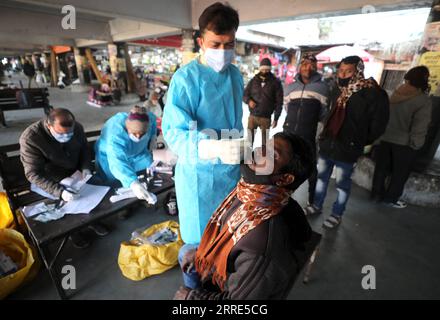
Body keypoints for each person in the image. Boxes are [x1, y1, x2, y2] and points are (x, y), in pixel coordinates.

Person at [173, 132, 315, 300]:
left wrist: (192, 297)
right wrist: (200, 253)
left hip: (234, 289)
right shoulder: (251, 192)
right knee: (185, 252)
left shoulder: (262, 242)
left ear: (284, 179)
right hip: (232, 273)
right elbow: (229, 236)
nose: (258, 152)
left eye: (272, 154)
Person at [162, 2, 244, 246]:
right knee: (199, 243)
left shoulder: (235, 75)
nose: (223, 51)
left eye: (229, 44)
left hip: (230, 170)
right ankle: (192, 283)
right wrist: (211, 147)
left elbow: (235, 120)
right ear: (200, 42)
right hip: (199, 174)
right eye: (215, 45)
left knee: (227, 234)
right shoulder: (186, 79)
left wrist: (243, 149)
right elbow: (174, 132)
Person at [306, 56, 390, 229]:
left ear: (358, 71)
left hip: (348, 148)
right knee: (321, 179)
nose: (343, 74)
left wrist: (358, 140)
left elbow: (378, 125)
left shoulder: (372, 93)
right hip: (328, 144)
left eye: (348, 71)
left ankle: (337, 214)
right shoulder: (336, 88)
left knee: (342, 185)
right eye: (341, 70)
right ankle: (316, 205)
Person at [19, 108, 109, 248]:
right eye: (61, 134)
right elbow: (33, 174)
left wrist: (86, 168)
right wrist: (60, 191)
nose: (66, 136)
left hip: (75, 172)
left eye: (70, 133)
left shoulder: (76, 127)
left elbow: (84, 149)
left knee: (95, 187)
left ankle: (92, 221)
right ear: (49, 126)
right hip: (49, 178)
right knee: (65, 199)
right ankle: (73, 231)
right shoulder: (31, 138)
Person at [371, 66, 432, 208]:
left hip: (385, 138)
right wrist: (416, 145)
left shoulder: (395, 93)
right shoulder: (423, 100)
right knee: (400, 173)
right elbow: (420, 126)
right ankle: (391, 199)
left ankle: (376, 194)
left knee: (381, 169)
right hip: (404, 144)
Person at [284, 54, 329, 209]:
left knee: (310, 168)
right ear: (300, 66)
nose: (307, 67)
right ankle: (283, 196)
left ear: (316, 67)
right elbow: (287, 108)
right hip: (289, 133)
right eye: (304, 64)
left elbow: (324, 114)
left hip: (308, 135)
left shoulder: (323, 88)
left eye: (311, 64)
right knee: (287, 164)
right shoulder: (290, 87)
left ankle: (312, 200)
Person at [95, 106, 157, 204]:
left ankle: (143, 193)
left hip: (137, 153)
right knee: (115, 182)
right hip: (111, 157)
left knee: (148, 169)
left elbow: (153, 121)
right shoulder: (115, 135)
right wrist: (133, 183)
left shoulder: (147, 118)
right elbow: (118, 162)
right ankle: (122, 204)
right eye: (134, 133)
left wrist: (153, 136)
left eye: (142, 134)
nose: (138, 137)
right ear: (127, 127)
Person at [243, 58, 283, 149]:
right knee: (249, 140)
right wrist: (249, 101)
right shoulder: (253, 81)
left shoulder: (276, 83)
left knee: (265, 143)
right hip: (252, 117)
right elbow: (245, 94)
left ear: (270, 69)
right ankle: (248, 159)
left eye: (267, 70)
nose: (265, 72)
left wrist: (276, 118)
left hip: (266, 118)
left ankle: (263, 160)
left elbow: (279, 102)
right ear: (260, 69)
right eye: (263, 69)